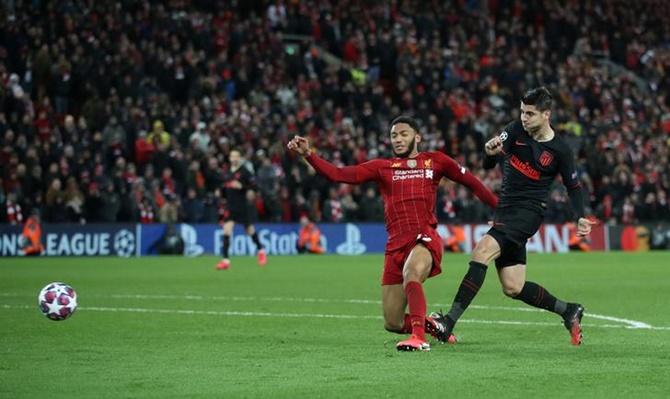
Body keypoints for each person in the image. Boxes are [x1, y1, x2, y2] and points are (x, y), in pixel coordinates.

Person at [287, 116, 498, 351]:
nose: (398, 139)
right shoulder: (382, 167)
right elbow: (338, 174)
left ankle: (419, 338)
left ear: (417, 137)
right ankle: (435, 326)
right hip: (395, 245)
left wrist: (500, 210)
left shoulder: (435, 161)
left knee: (412, 273)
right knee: (392, 321)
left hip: (424, 237)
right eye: (394, 135)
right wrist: (309, 154)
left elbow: (473, 183)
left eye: (404, 134)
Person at [431, 87, 596, 346]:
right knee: (513, 286)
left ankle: (447, 322)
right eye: (521, 112)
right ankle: (569, 310)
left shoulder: (560, 150)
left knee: (481, 251)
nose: (524, 118)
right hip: (505, 210)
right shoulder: (514, 130)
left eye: (530, 113)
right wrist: (489, 152)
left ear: (546, 115)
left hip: (528, 213)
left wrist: (580, 217)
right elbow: (488, 163)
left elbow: (573, 186)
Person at [216, 149, 267, 270]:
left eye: (236, 156)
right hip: (230, 206)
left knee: (249, 229)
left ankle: (261, 250)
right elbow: (225, 187)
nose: (234, 159)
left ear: (239, 158)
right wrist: (220, 193)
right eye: (232, 156)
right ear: (229, 158)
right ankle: (225, 260)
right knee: (226, 230)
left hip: (242, 205)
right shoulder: (227, 172)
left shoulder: (245, 171)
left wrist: (242, 187)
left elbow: (255, 185)